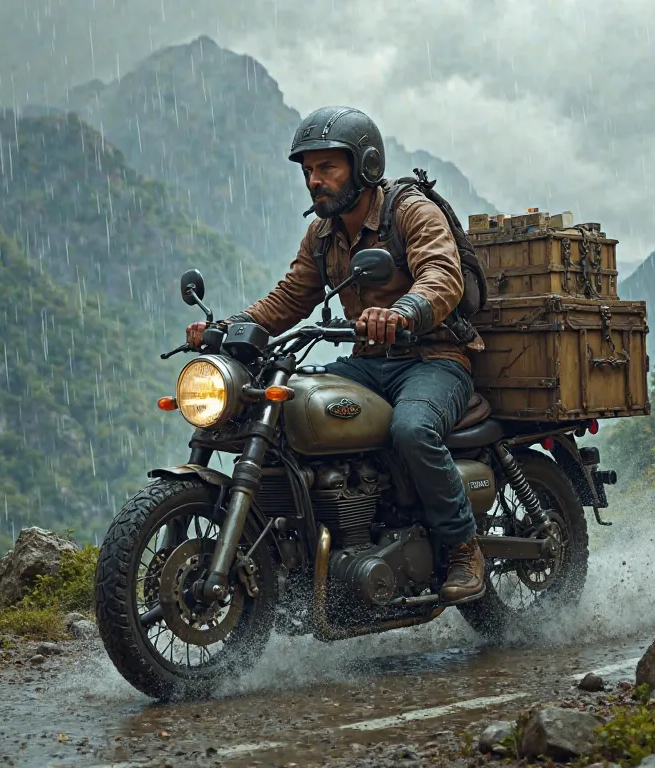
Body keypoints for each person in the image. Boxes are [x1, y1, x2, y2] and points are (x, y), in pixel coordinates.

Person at [185, 106, 485, 604]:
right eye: (308, 171)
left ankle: (462, 547)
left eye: (327, 168)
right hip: (368, 363)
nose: (314, 181)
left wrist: (404, 311)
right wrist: (226, 329)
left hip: (434, 360)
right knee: (289, 410)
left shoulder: (410, 211)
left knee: (412, 430)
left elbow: (442, 275)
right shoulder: (322, 234)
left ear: (364, 165)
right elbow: (289, 298)